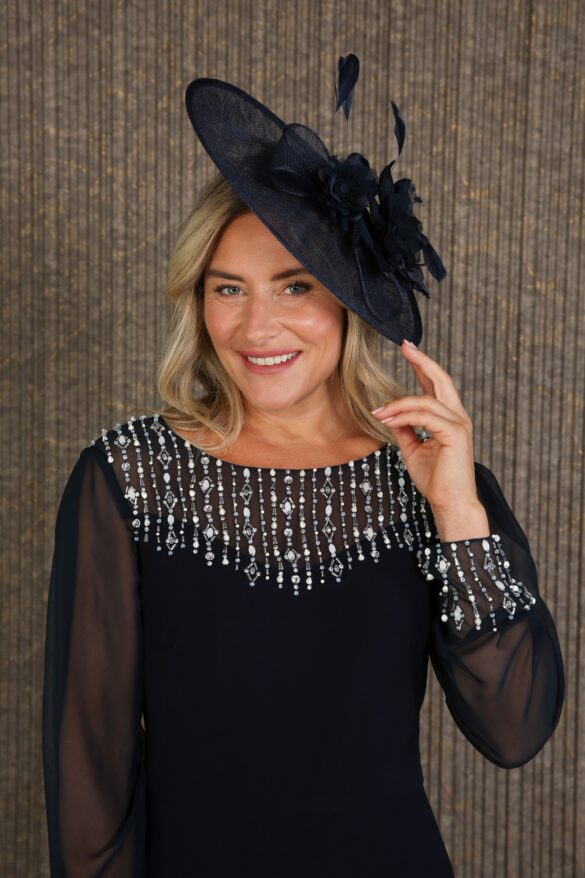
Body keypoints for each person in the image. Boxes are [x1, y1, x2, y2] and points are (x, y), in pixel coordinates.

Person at [42, 58, 565, 877]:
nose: (257, 327)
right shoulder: (129, 477)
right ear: (197, 302)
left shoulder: (433, 480)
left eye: (293, 287)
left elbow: (514, 731)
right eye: (228, 289)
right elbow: (90, 771)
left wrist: (459, 515)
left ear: (347, 301)